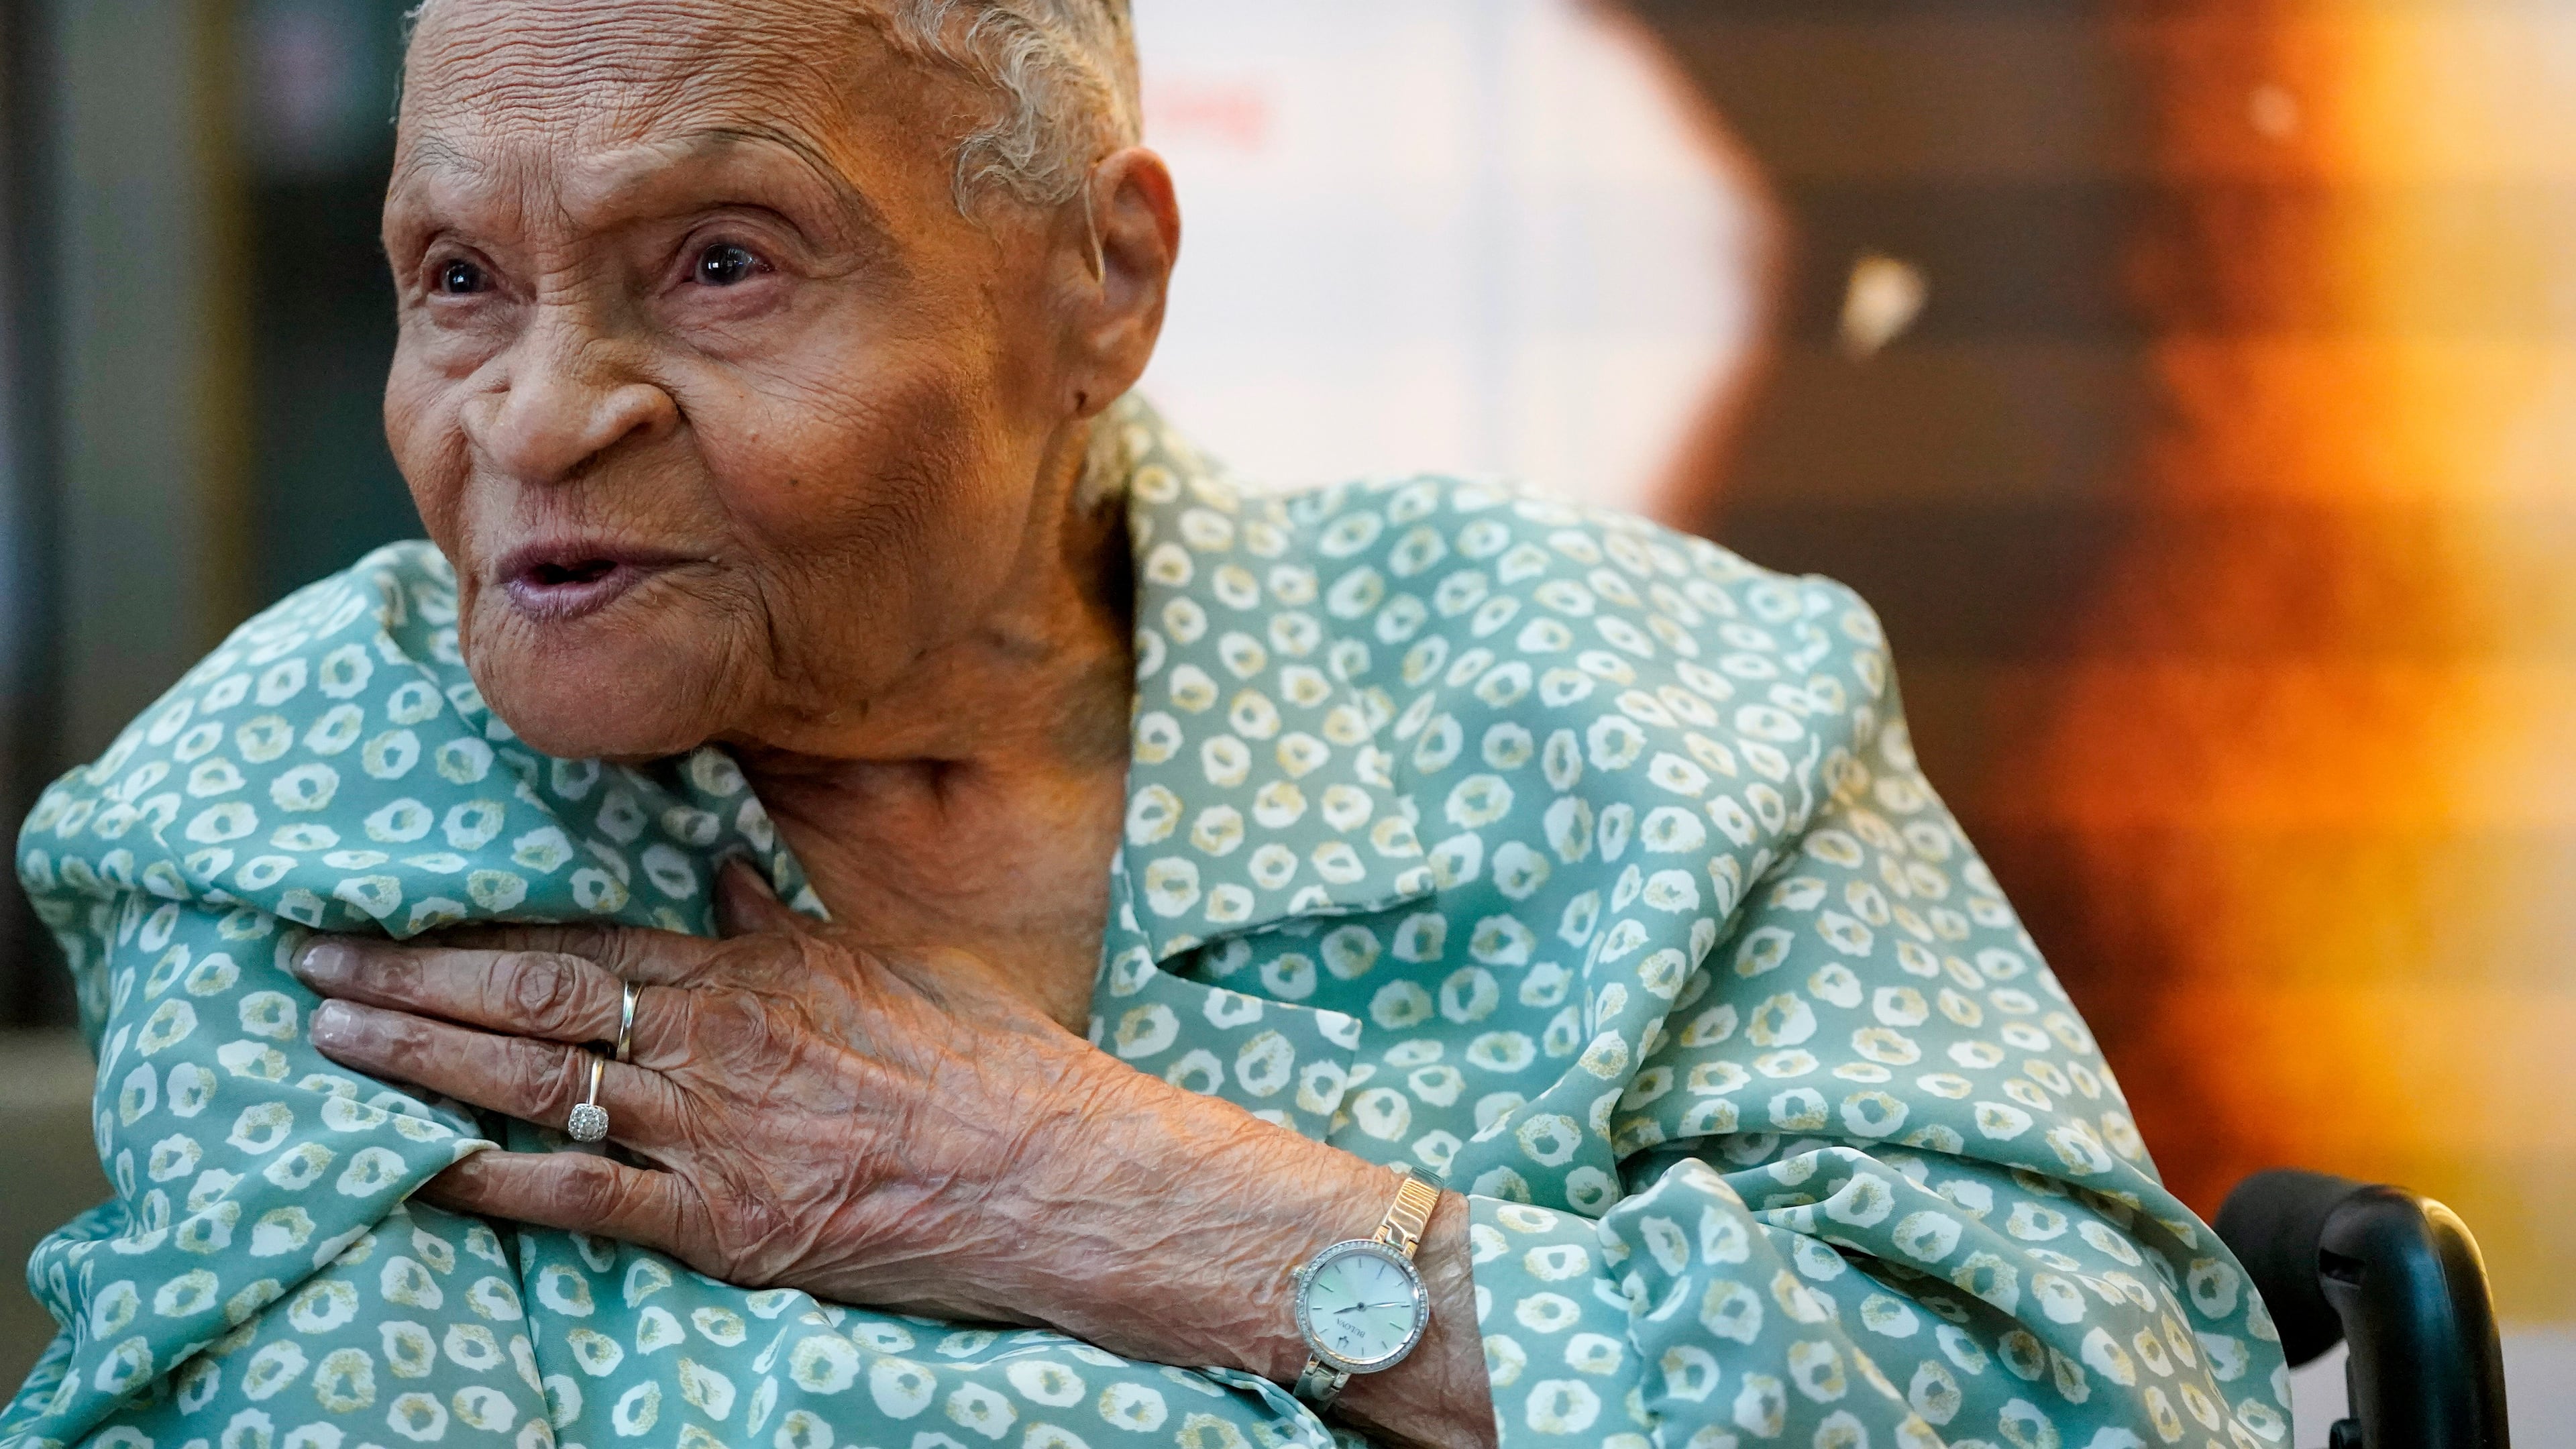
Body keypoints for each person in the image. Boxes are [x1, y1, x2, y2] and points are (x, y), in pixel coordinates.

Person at [3, 3, 2293, 1446]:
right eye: (458, 283)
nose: (534, 415)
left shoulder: (1643, 707)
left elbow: (2089, 1397)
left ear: (1102, 280)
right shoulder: (314, 813)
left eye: (721, 262)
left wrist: (1079, 1190)